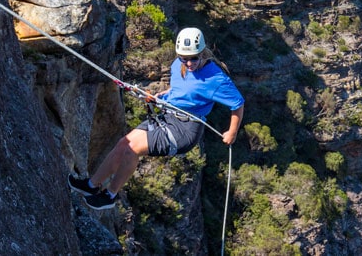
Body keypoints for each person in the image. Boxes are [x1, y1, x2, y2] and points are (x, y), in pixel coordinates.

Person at [69, 27, 245, 210]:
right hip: (168, 116)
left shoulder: (216, 78)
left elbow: (238, 103)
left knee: (132, 149)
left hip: (185, 130)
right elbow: (179, 89)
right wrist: (161, 96)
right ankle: (91, 186)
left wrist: (232, 132)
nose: (189, 63)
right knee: (123, 143)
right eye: (185, 58)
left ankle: (110, 195)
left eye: (194, 58)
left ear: (203, 53)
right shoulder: (178, 65)